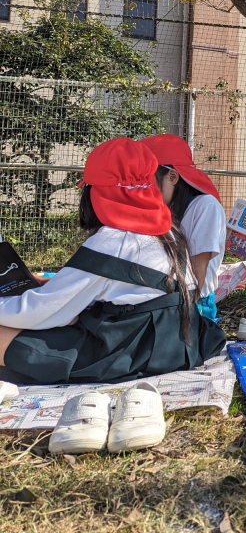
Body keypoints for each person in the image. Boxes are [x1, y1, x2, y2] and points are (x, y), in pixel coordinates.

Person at [0, 137, 226, 385]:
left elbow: (39, 312)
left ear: (96, 193)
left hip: (132, 352)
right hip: (178, 345)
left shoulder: (112, 240)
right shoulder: (168, 232)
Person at [140, 134, 226, 322]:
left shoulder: (205, 206)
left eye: (149, 181)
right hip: (170, 297)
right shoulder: (169, 208)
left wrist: (187, 314)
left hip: (194, 303)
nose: (145, 189)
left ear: (172, 176)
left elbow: (198, 268)